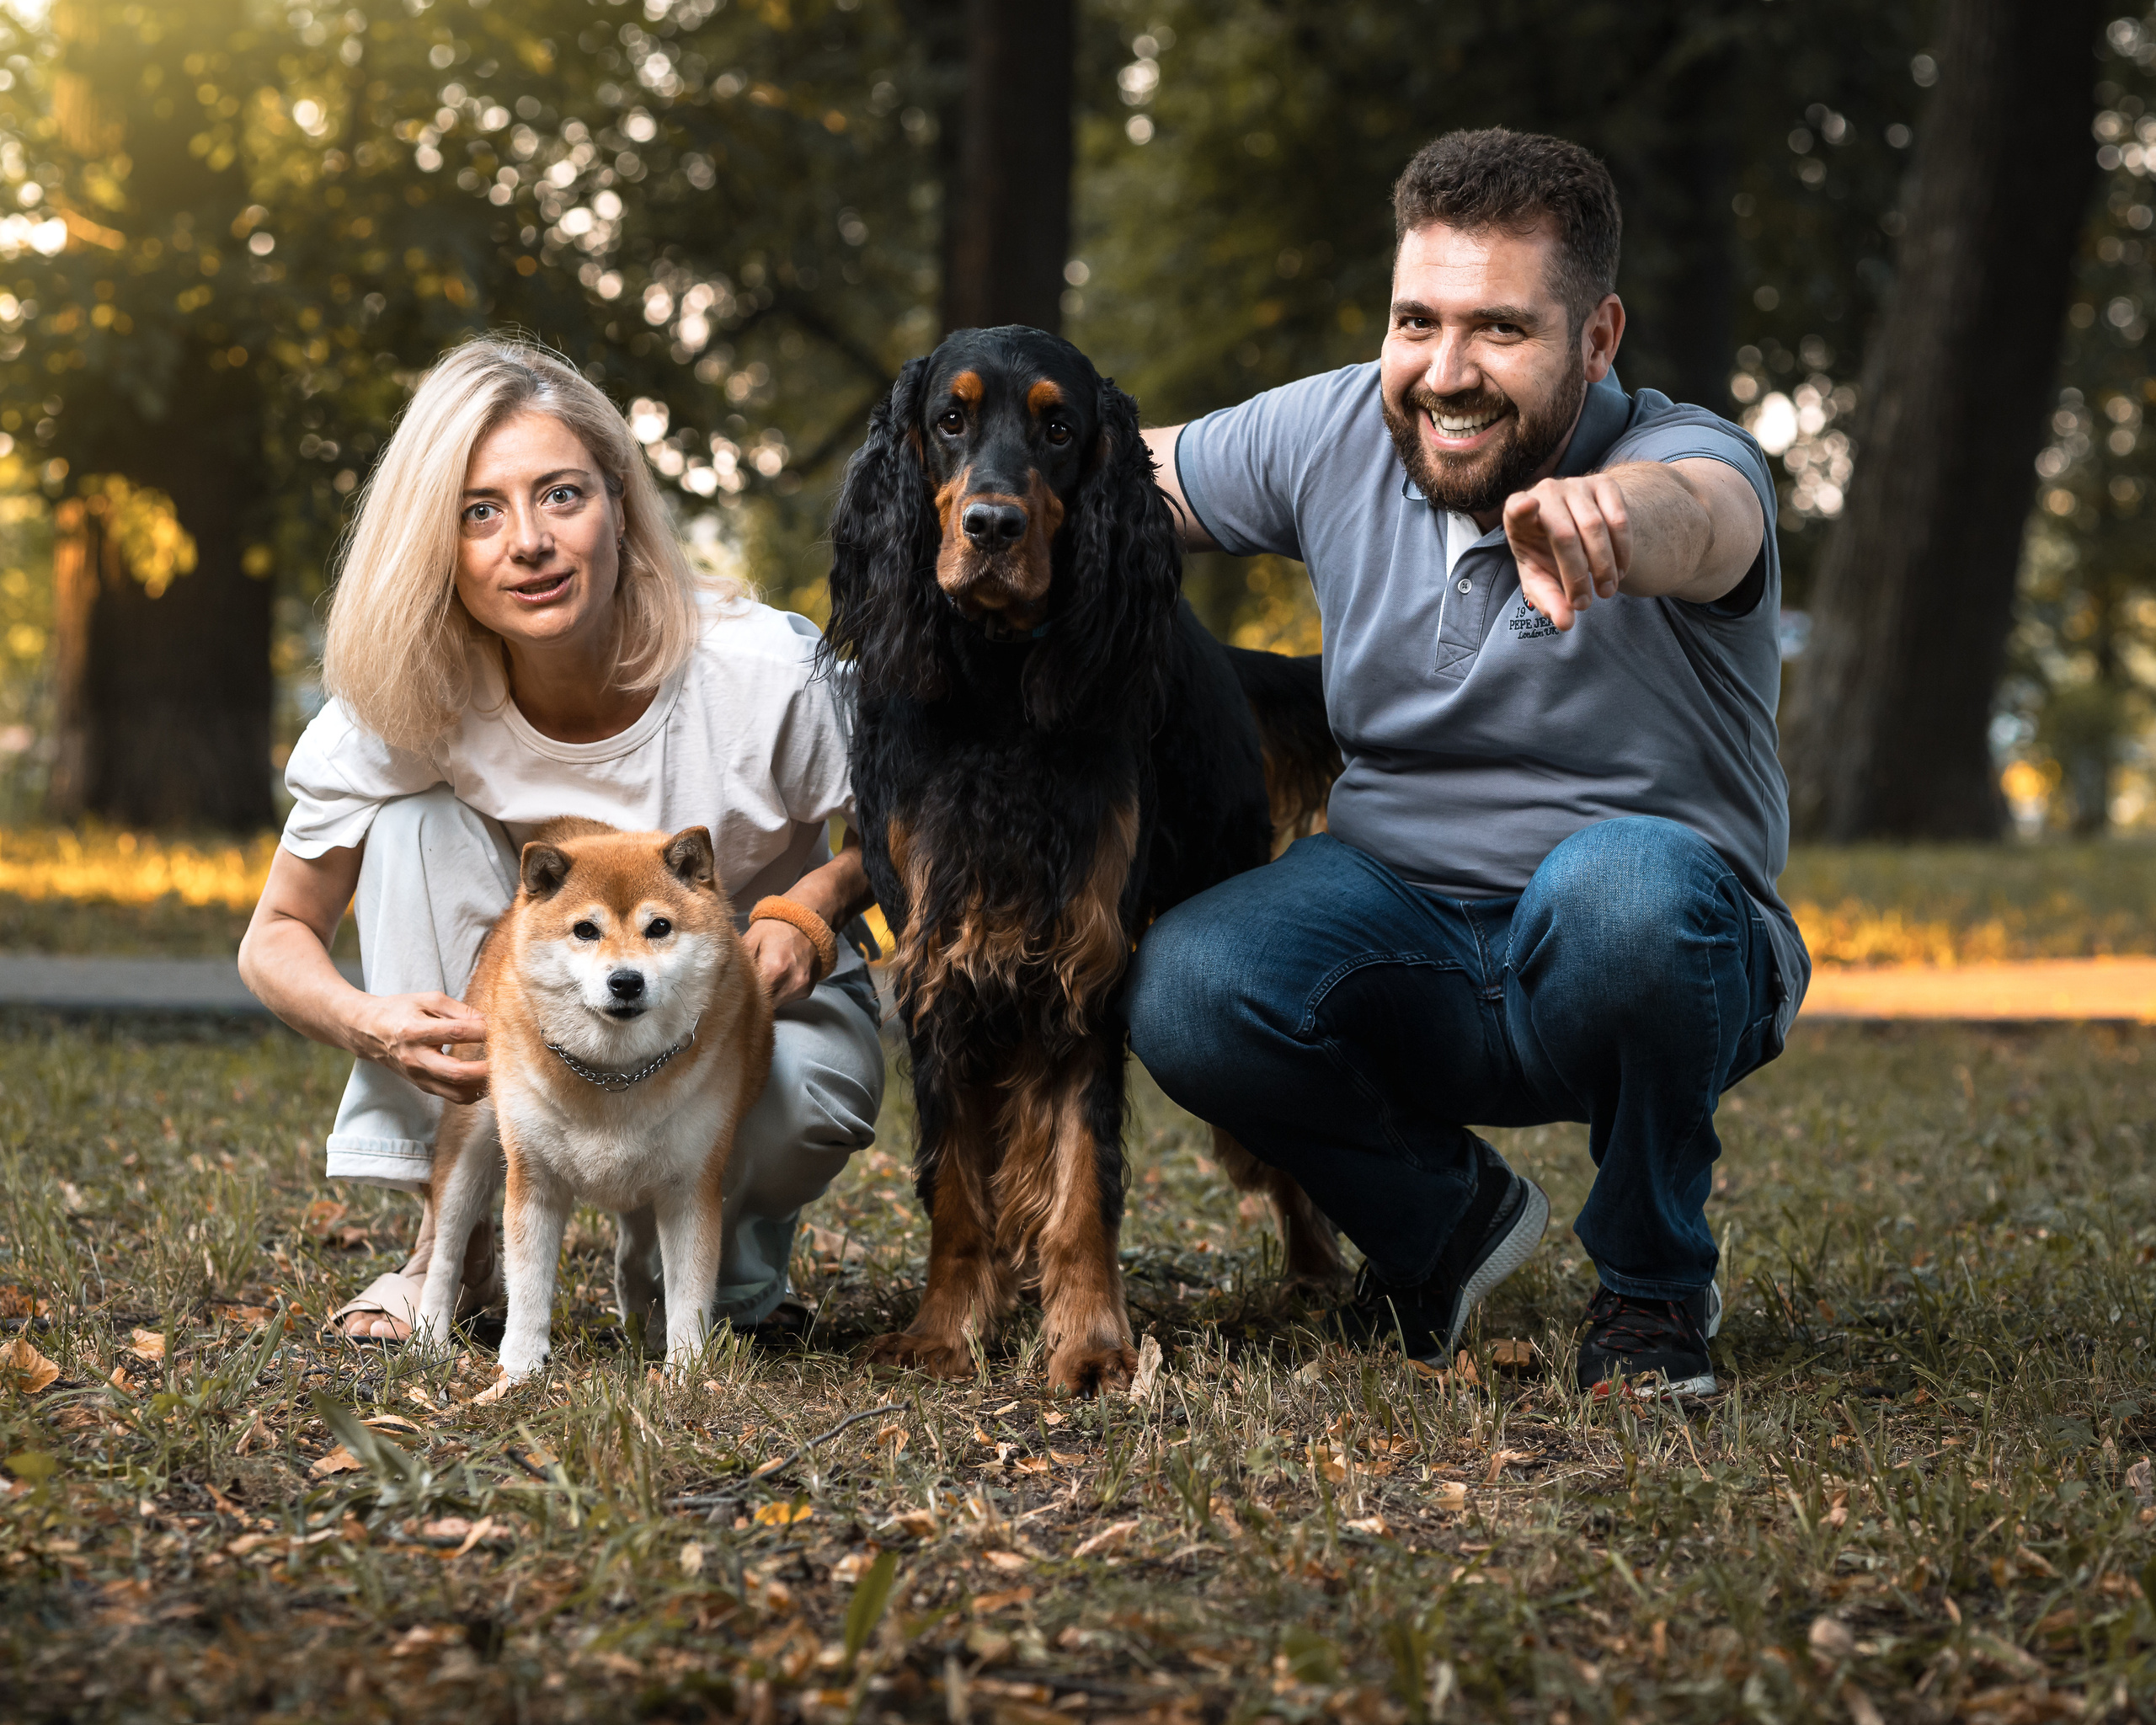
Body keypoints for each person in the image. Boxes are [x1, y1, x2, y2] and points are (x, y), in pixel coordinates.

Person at [1126, 128, 1809, 1399]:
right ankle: (1446, 1229)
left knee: (1628, 893)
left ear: (1597, 340)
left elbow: (1702, 525)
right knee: (1188, 980)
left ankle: (1656, 1291)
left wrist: (1614, 520)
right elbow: (1119, 477)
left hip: (1648, 954)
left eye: (1500, 330)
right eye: (1415, 323)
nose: (1446, 372)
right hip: (1400, 934)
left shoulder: (1693, 459)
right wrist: (980, 458)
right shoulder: (1334, 429)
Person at [238, 336, 883, 1343]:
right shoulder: (413, 691)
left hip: (760, 1007)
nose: (526, 541)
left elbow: (924, 832)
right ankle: (452, 1251)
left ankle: (729, 1265)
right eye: (478, 511)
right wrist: (370, 1020)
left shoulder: (763, 673)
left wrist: (813, 905)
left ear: (619, 502)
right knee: (411, 821)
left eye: (562, 495)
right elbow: (276, 930)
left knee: (803, 1098)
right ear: (435, 543)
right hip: (544, 1008)